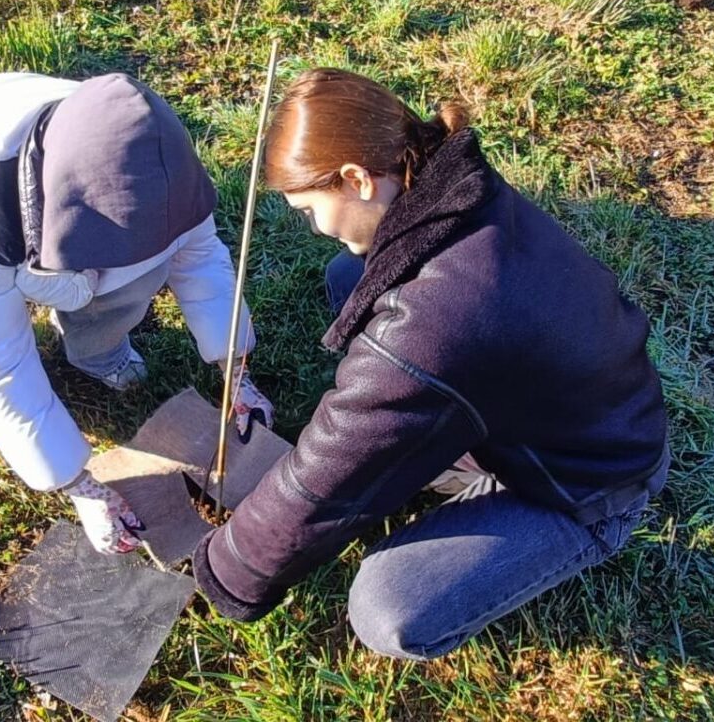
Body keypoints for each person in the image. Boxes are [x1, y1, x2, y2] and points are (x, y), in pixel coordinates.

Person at [192, 69, 669, 659]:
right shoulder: (459, 187)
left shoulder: (434, 326)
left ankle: (549, 518)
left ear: (356, 179)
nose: (312, 226)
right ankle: (458, 447)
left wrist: (225, 571)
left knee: (387, 609)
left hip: (588, 482)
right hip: (583, 402)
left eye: (309, 208)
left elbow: (325, 480)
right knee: (350, 274)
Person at [0, 72, 273, 555]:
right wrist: (76, 482)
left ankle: (98, 348)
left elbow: (202, 263)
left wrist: (236, 368)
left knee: (143, 269)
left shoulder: (166, 168)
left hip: (61, 212)